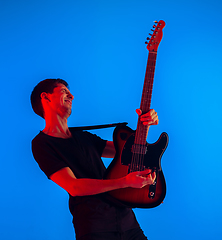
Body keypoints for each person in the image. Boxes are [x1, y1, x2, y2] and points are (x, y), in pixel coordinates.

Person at [31, 78, 159, 240]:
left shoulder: (84, 137)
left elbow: (133, 151)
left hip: (127, 221)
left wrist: (144, 126)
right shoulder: (42, 143)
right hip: (94, 227)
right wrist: (125, 182)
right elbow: (74, 186)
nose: (72, 96)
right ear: (46, 97)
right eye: (64, 91)